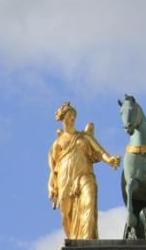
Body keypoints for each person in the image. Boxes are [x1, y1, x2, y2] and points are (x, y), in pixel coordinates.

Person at [48, 102, 120, 239]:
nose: (73, 118)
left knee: (89, 201)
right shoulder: (57, 143)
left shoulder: (84, 136)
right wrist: (52, 186)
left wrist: (110, 160)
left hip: (85, 175)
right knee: (66, 214)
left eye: (74, 115)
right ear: (63, 118)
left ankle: (86, 241)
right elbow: (53, 168)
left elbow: (100, 151)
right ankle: (73, 238)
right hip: (64, 179)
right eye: (70, 115)